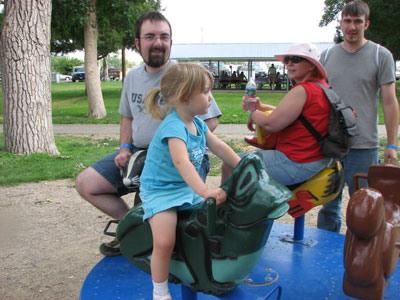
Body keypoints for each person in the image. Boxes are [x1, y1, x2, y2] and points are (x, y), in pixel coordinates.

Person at [75, 11, 222, 257]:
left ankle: (159, 241)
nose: (158, 43)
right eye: (150, 36)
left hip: (177, 158)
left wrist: (173, 143)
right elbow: (127, 117)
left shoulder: (185, 75)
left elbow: (211, 121)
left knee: (163, 218)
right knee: (86, 183)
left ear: (171, 42)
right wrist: (124, 148)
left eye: (164, 37)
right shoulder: (132, 76)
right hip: (137, 152)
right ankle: (131, 229)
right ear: (138, 43)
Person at [140, 63, 240, 300]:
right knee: (165, 241)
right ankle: (160, 291)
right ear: (185, 97)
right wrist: (205, 189)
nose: (210, 97)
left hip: (185, 187)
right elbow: (181, 162)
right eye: (206, 92)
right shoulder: (174, 126)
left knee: (215, 220)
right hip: (161, 190)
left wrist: (244, 164)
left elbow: (219, 146)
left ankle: (212, 269)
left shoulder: (197, 123)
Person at [317, 0, 399, 233]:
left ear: (367, 24)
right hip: (331, 144)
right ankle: (326, 251)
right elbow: (317, 98)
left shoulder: (380, 55)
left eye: (358, 22)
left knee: (363, 206)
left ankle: (358, 257)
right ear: (341, 23)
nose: (352, 27)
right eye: (348, 21)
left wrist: (392, 144)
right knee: (328, 204)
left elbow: (390, 101)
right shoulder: (327, 56)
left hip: (364, 145)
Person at [221, 43, 333, 186]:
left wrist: (252, 111)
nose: (289, 63)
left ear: (312, 65)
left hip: (296, 162)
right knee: (248, 156)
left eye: (296, 59)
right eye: (287, 60)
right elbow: (290, 114)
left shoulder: (303, 90)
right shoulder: (320, 87)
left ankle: (223, 205)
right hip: (315, 158)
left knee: (230, 163)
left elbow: (271, 123)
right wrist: (260, 107)